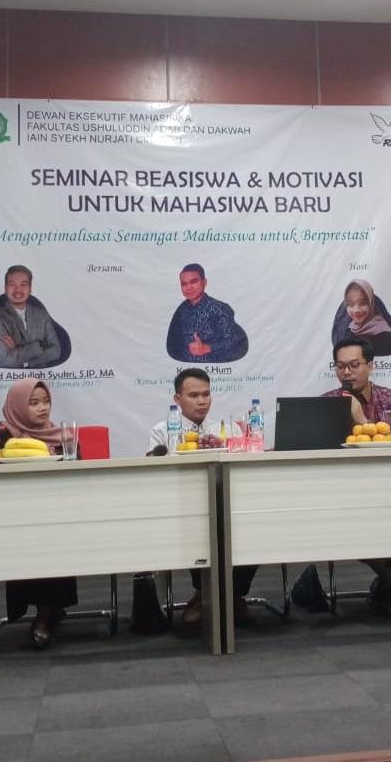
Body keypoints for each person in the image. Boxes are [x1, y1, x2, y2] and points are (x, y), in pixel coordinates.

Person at [292, 336, 391, 616]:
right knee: (354, 521)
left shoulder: (390, 399)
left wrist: (361, 419)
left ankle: (386, 582)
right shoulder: (327, 403)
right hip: (339, 493)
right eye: (340, 366)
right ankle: (390, 583)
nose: (346, 372)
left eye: (354, 365)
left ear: (370, 365)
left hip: (387, 488)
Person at [148, 368, 257, 624]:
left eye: (206, 394)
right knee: (199, 529)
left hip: (227, 503)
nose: (202, 401)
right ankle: (211, 594)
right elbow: (155, 473)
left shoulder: (228, 428)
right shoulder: (162, 431)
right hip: (181, 506)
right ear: (177, 399)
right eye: (194, 395)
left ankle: (231, 595)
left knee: (250, 528)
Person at [0, 377, 78, 648]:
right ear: (18, 406)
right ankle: (46, 612)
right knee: (27, 540)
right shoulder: (3, 437)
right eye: (34, 403)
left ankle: (45, 615)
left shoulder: (61, 436)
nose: (42, 408)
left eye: (46, 402)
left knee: (56, 538)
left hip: (58, 514)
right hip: (18, 517)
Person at [0, 265, 64, 369]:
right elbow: (5, 360)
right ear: (5, 288)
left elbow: (56, 351)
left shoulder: (42, 315)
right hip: (8, 377)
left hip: (39, 376)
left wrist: (18, 352)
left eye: (23, 285)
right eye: (12, 284)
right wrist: (38, 346)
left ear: (30, 288)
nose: (18, 290)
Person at [166, 263, 249, 363]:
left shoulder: (219, 308)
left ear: (204, 282)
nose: (189, 287)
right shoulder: (181, 310)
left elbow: (235, 341)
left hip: (216, 367)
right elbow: (173, 342)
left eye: (194, 281)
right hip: (186, 367)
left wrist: (207, 348)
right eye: (184, 284)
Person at [330, 279, 391, 357]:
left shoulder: (385, 335)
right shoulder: (349, 329)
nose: (356, 310)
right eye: (350, 304)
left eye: (362, 303)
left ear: (371, 303)